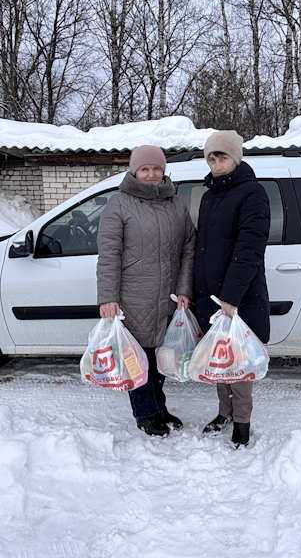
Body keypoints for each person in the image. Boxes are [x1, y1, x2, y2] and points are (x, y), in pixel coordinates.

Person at [96, 145, 195, 437]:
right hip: (133, 298)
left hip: (168, 299)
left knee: (160, 358)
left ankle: (159, 407)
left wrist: (184, 288)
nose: (151, 174)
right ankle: (145, 414)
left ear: (164, 171)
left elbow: (189, 247)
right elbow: (109, 255)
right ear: (134, 171)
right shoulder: (119, 204)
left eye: (157, 169)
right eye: (145, 169)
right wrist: (108, 298)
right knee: (137, 359)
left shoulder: (176, 203)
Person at [193, 131, 271, 448]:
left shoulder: (252, 194)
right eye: (211, 157)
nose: (216, 162)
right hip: (211, 297)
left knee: (238, 364)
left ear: (236, 158)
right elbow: (203, 247)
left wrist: (231, 297)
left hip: (237, 298)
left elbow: (249, 249)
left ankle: (242, 423)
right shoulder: (211, 194)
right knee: (219, 359)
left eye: (222, 156)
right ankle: (223, 413)